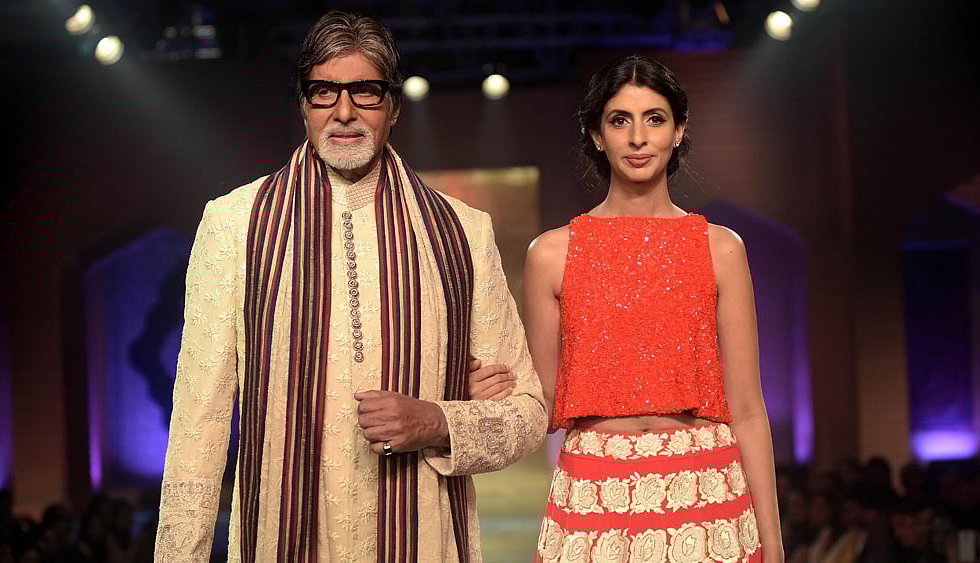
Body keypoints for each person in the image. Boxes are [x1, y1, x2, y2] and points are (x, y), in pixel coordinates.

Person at [154, 10, 545, 562]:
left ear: (393, 106)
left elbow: (528, 415)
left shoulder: (462, 232)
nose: (344, 112)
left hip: (424, 539)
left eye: (364, 92)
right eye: (324, 92)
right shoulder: (235, 226)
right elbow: (198, 425)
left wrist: (434, 420)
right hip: (283, 541)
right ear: (302, 104)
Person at [525, 55, 782, 562]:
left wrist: (772, 543)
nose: (638, 138)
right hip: (594, 494)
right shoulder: (552, 253)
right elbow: (539, 403)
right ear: (598, 135)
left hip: (706, 492)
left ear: (679, 131)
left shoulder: (720, 248)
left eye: (655, 119)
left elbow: (748, 409)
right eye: (620, 120)